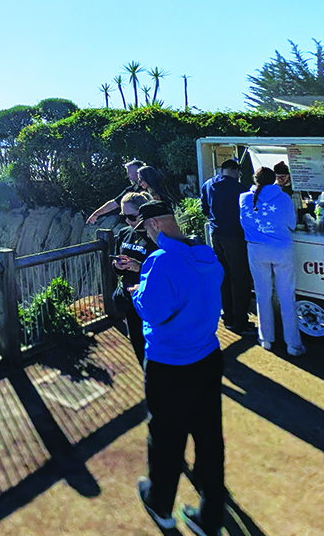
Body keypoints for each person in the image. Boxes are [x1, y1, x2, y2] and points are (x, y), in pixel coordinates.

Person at [131, 200, 225, 536]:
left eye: (144, 227)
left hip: (170, 363)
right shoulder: (205, 255)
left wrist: (136, 295)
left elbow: (153, 311)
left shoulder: (161, 261)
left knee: (167, 437)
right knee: (209, 436)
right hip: (207, 356)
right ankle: (210, 515)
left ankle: (161, 505)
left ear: (154, 224)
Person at [239, 167, 306, 356]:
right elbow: (292, 224)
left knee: (262, 295)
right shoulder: (283, 198)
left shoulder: (243, 198)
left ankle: (266, 339)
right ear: (274, 179)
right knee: (286, 297)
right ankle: (293, 344)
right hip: (281, 250)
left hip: (255, 249)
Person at [200, 159, 254, 334]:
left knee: (224, 276)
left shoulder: (208, 184)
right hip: (236, 237)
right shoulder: (239, 188)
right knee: (240, 279)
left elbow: (204, 209)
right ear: (233, 170)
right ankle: (240, 322)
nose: (239, 175)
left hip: (216, 235)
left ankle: (228, 317)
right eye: (238, 172)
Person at [112, 192, 159, 365]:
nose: (127, 222)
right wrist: (118, 266)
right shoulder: (124, 233)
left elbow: (164, 271)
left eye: (131, 217)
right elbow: (119, 269)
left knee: (156, 344)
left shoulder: (156, 236)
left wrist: (139, 267)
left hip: (151, 299)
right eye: (124, 217)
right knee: (138, 344)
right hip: (130, 298)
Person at [87, 159, 145, 224]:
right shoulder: (131, 190)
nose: (128, 176)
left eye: (130, 173)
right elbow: (113, 204)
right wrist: (96, 214)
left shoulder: (152, 186)